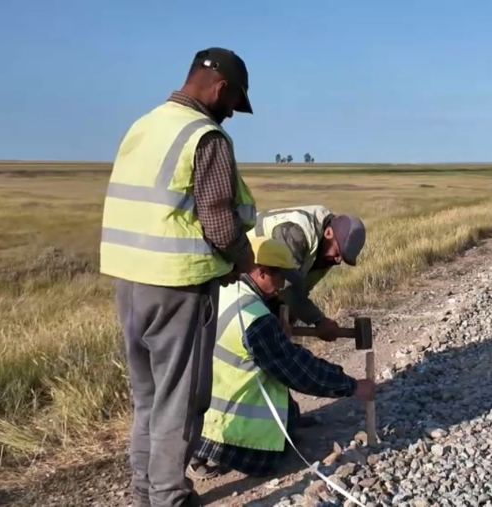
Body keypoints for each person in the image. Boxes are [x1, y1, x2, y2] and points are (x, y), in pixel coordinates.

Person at [100, 47, 257, 507]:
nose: (232, 114)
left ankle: (145, 492)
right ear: (221, 88)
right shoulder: (205, 136)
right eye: (234, 103)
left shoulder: (145, 124)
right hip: (177, 285)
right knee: (182, 399)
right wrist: (243, 259)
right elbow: (218, 220)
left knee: (148, 397)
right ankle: (169, 496)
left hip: (130, 281)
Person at [186, 236, 375, 479]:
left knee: (288, 415)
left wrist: (278, 335)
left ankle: (197, 450)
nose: (283, 285)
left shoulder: (223, 290)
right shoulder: (255, 319)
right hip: (230, 429)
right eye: (280, 277)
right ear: (262, 271)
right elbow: (298, 370)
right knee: (271, 456)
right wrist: (352, 386)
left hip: (195, 419)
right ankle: (219, 452)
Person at [248, 205, 366, 339]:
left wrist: (288, 319)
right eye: (338, 253)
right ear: (328, 233)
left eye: (342, 257)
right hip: (241, 267)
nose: (338, 261)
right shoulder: (297, 232)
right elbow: (287, 288)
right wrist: (319, 320)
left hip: (264, 281)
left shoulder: (326, 251)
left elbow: (300, 290)